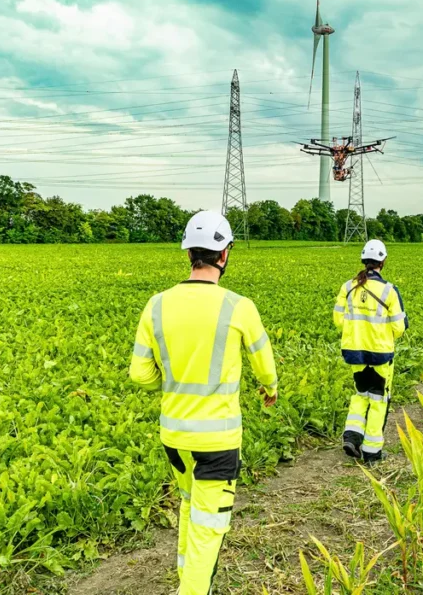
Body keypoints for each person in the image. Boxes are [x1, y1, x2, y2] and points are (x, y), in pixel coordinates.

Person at [130, 210, 278, 595]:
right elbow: (264, 363)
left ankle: (186, 578)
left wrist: (174, 378)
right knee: (210, 528)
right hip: (218, 442)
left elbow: (140, 375)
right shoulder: (238, 306)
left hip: (174, 436)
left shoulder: (156, 305)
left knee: (188, 506)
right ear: (225, 254)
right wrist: (269, 388)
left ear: (189, 254)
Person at [332, 239, 408, 463]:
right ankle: (372, 452)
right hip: (379, 354)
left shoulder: (348, 287)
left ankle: (352, 436)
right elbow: (399, 328)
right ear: (383, 262)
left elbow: (338, 320)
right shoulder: (389, 291)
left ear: (364, 260)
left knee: (360, 393)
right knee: (378, 401)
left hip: (354, 352)